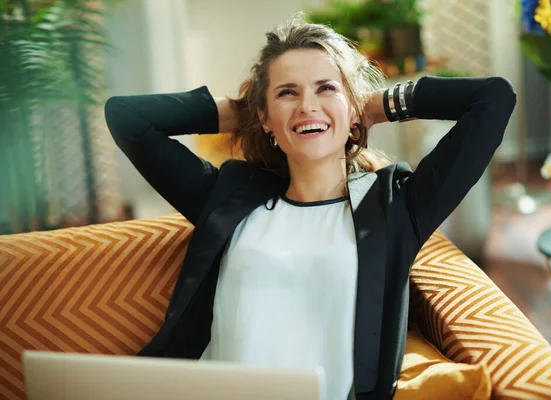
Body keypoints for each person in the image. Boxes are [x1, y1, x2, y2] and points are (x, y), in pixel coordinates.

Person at [104, 13, 516, 400]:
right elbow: (127, 118)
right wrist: (249, 111)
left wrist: (376, 105)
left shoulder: (396, 206)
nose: (307, 106)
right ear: (264, 117)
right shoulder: (228, 194)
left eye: (326, 88)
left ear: (354, 109)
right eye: (288, 92)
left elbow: (493, 99)